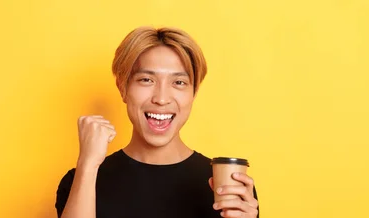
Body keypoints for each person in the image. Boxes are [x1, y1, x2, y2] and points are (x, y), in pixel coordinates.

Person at [55, 26, 259, 218]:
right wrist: (88, 165)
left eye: (178, 82)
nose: (161, 99)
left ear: (194, 92)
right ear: (122, 88)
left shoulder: (230, 188)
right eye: (146, 80)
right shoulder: (81, 180)